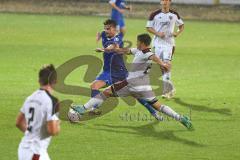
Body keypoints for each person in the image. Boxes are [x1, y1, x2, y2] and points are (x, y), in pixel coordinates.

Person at [72, 34, 193, 130]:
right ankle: (181, 118)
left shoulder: (147, 53)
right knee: (158, 105)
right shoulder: (139, 51)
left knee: (106, 92)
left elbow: (153, 57)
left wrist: (162, 63)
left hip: (131, 84)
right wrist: (105, 50)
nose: (136, 43)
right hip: (145, 87)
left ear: (142, 43)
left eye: (137, 41)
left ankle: (83, 108)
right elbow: (124, 50)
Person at [93, 19, 162, 120]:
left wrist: (103, 49)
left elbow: (111, 47)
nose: (106, 30)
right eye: (105, 28)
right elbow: (104, 35)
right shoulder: (104, 34)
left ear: (114, 29)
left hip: (119, 71)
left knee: (136, 95)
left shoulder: (117, 39)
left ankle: (153, 111)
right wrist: (99, 36)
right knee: (94, 86)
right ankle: (94, 108)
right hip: (107, 70)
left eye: (108, 29)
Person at [16, 64, 60, 160]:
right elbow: (52, 130)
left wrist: (31, 134)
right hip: (36, 152)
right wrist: (57, 125)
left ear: (39, 81)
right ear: (55, 81)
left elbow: (19, 122)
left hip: (23, 148)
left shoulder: (30, 98)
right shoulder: (52, 101)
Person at [146, 0, 184, 99]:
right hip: (157, 44)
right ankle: (171, 88)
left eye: (167, 0)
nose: (165, 2)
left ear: (170, 2)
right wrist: (158, 34)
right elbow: (148, 27)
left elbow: (181, 25)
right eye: (163, 0)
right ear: (160, 2)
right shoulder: (154, 14)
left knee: (167, 64)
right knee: (161, 67)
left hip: (169, 44)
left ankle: (166, 90)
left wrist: (177, 33)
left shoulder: (174, 14)